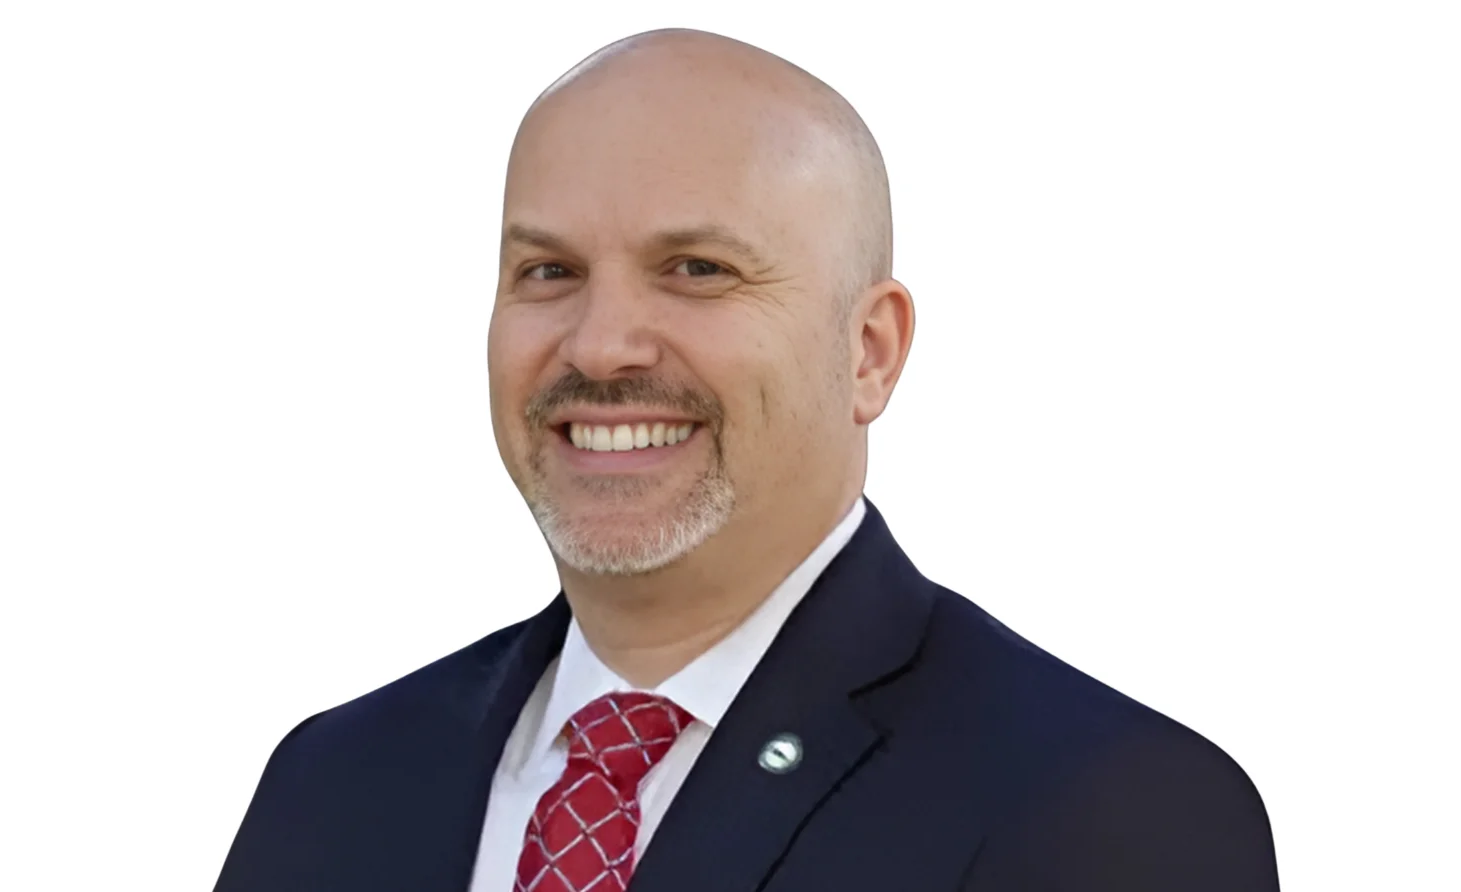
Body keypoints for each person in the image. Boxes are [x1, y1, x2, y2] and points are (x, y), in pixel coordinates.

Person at [214, 28, 1278, 892]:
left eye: (695, 269)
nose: (600, 345)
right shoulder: (333, 784)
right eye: (549, 271)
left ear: (868, 352)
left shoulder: (1110, 811)